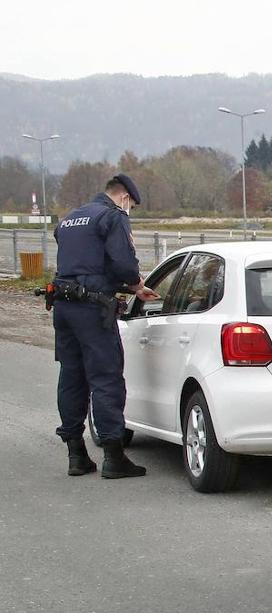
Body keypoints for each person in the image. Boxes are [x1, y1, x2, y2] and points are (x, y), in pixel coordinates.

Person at [50, 174, 159, 478]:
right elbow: (123, 263)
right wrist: (137, 286)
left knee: (71, 376)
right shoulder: (112, 217)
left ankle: (76, 454)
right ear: (124, 198)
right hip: (92, 310)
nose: (130, 212)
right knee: (105, 377)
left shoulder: (71, 218)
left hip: (63, 305)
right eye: (132, 207)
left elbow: (82, 261)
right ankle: (114, 456)